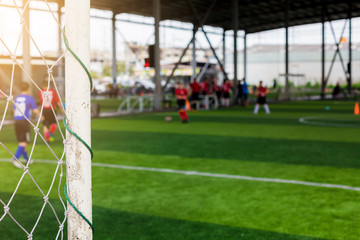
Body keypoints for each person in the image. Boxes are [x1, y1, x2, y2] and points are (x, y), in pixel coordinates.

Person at [12, 82, 41, 168]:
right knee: (25, 142)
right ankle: (15, 159)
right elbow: (35, 110)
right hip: (24, 121)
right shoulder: (29, 98)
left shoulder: (16, 98)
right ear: (28, 89)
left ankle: (27, 160)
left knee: (22, 142)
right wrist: (42, 118)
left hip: (16, 121)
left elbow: (14, 110)